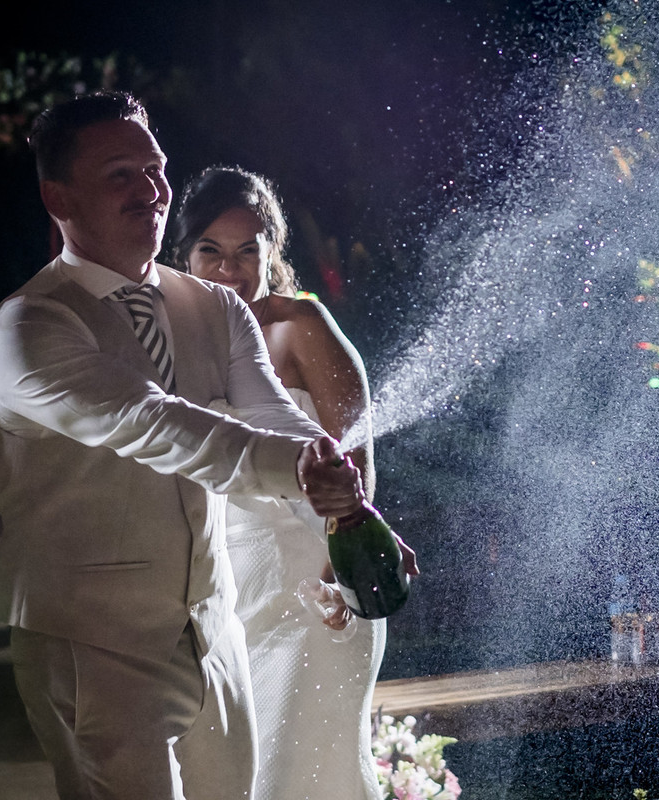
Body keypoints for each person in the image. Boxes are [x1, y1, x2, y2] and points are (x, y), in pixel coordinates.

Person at [0, 92, 365, 800]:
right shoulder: (29, 327)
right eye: (120, 173)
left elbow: (275, 416)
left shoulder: (212, 308)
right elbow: (155, 424)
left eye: (154, 169)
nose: (151, 189)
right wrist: (306, 471)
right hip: (93, 644)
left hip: (216, 632)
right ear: (56, 195)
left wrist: (354, 505)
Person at [174, 165, 415, 800]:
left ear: (272, 250)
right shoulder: (174, 338)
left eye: (249, 249)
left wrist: (347, 569)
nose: (230, 268)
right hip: (227, 601)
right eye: (212, 251)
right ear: (184, 253)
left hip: (314, 594)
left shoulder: (300, 326)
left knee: (294, 777)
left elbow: (356, 467)